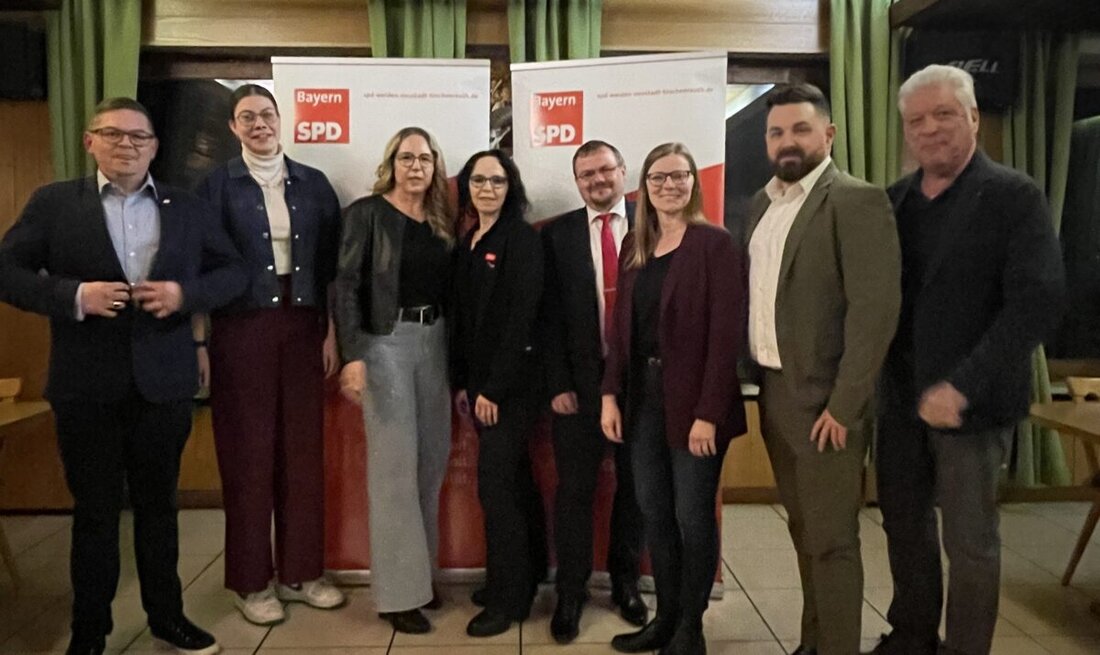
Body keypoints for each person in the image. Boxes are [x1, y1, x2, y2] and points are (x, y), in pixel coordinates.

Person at [0, 97, 248, 655]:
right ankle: (90, 632)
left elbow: (233, 271)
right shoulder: (55, 203)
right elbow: (6, 271)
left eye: (139, 137)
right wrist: (73, 295)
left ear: (155, 147)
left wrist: (185, 295)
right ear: (90, 141)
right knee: (94, 515)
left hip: (163, 383)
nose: (127, 145)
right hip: (85, 386)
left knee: (160, 510)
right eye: (114, 134)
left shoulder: (184, 207)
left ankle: (168, 619)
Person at [869, 65, 1065, 655]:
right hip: (899, 401)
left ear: (974, 117)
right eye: (916, 121)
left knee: (970, 542)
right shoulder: (893, 202)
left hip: (970, 407)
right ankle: (911, 637)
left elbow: (1037, 302)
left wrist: (963, 385)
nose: (929, 130)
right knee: (905, 530)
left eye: (944, 115)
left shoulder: (1013, 196)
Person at [746, 83, 901, 655]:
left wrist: (844, 405)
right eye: (777, 132)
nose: (788, 141)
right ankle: (813, 644)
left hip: (826, 406)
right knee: (802, 531)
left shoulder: (856, 201)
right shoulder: (762, 205)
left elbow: (875, 311)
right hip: (774, 392)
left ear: (828, 134)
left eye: (800, 129)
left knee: (833, 542)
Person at [194, 84, 345, 625]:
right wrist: (199, 340)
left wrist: (330, 332)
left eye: (266, 114)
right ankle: (252, 582)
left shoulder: (314, 183)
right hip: (241, 328)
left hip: (305, 325)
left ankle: (302, 573)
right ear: (234, 128)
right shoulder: (215, 187)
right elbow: (197, 268)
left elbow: (331, 269)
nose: (258, 124)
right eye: (246, 117)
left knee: (303, 454)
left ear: (282, 121)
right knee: (249, 454)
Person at [601, 142, 745, 655]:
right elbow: (622, 333)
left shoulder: (715, 244)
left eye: (678, 176)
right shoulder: (636, 247)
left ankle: (691, 626)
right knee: (655, 513)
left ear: (693, 182)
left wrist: (708, 414)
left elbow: (726, 336)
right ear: (644, 184)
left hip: (697, 403)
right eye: (658, 178)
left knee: (692, 517)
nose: (668, 186)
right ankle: (665, 618)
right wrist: (609, 396)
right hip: (643, 398)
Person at [334, 126, 454, 634]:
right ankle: (396, 595)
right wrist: (353, 354)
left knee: (431, 464)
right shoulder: (365, 214)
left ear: (434, 165)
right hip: (385, 341)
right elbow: (345, 284)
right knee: (393, 471)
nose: (416, 167)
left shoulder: (442, 219)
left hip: (437, 342)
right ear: (392, 163)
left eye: (424, 159)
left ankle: (418, 579)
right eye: (406, 158)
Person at [540, 139, 646, 643]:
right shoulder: (557, 234)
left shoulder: (655, 223)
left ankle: (626, 583)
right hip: (577, 391)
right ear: (576, 181)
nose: (598, 180)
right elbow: (548, 316)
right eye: (587, 174)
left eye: (606, 170)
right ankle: (571, 592)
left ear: (623, 171)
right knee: (575, 493)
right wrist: (557, 383)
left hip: (640, 387)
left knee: (635, 491)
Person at [451, 149, 547, 638]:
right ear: (466, 187)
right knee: (514, 485)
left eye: (498, 180)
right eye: (478, 180)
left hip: (512, 388)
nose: (487, 188)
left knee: (498, 489)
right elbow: (470, 323)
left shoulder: (521, 240)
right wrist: (467, 384)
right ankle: (519, 580)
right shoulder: (470, 239)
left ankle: (509, 602)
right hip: (483, 386)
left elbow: (521, 321)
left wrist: (493, 388)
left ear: (511, 188)